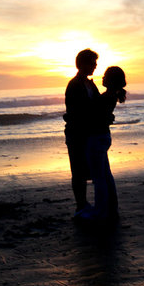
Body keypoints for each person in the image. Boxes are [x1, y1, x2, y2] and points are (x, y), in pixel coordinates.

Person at [83, 66, 127, 221]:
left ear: (111, 80)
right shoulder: (110, 96)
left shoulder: (106, 97)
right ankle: (111, 209)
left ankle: (101, 212)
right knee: (106, 176)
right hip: (103, 137)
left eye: (105, 76)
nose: (102, 78)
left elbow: (93, 112)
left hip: (97, 137)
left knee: (99, 178)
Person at [63, 49, 100, 217]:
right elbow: (77, 111)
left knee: (86, 169)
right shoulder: (75, 84)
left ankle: (84, 204)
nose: (95, 66)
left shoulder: (89, 83)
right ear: (83, 64)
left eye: (95, 62)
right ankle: (80, 205)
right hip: (77, 133)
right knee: (78, 170)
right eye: (92, 63)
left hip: (87, 133)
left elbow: (96, 105)